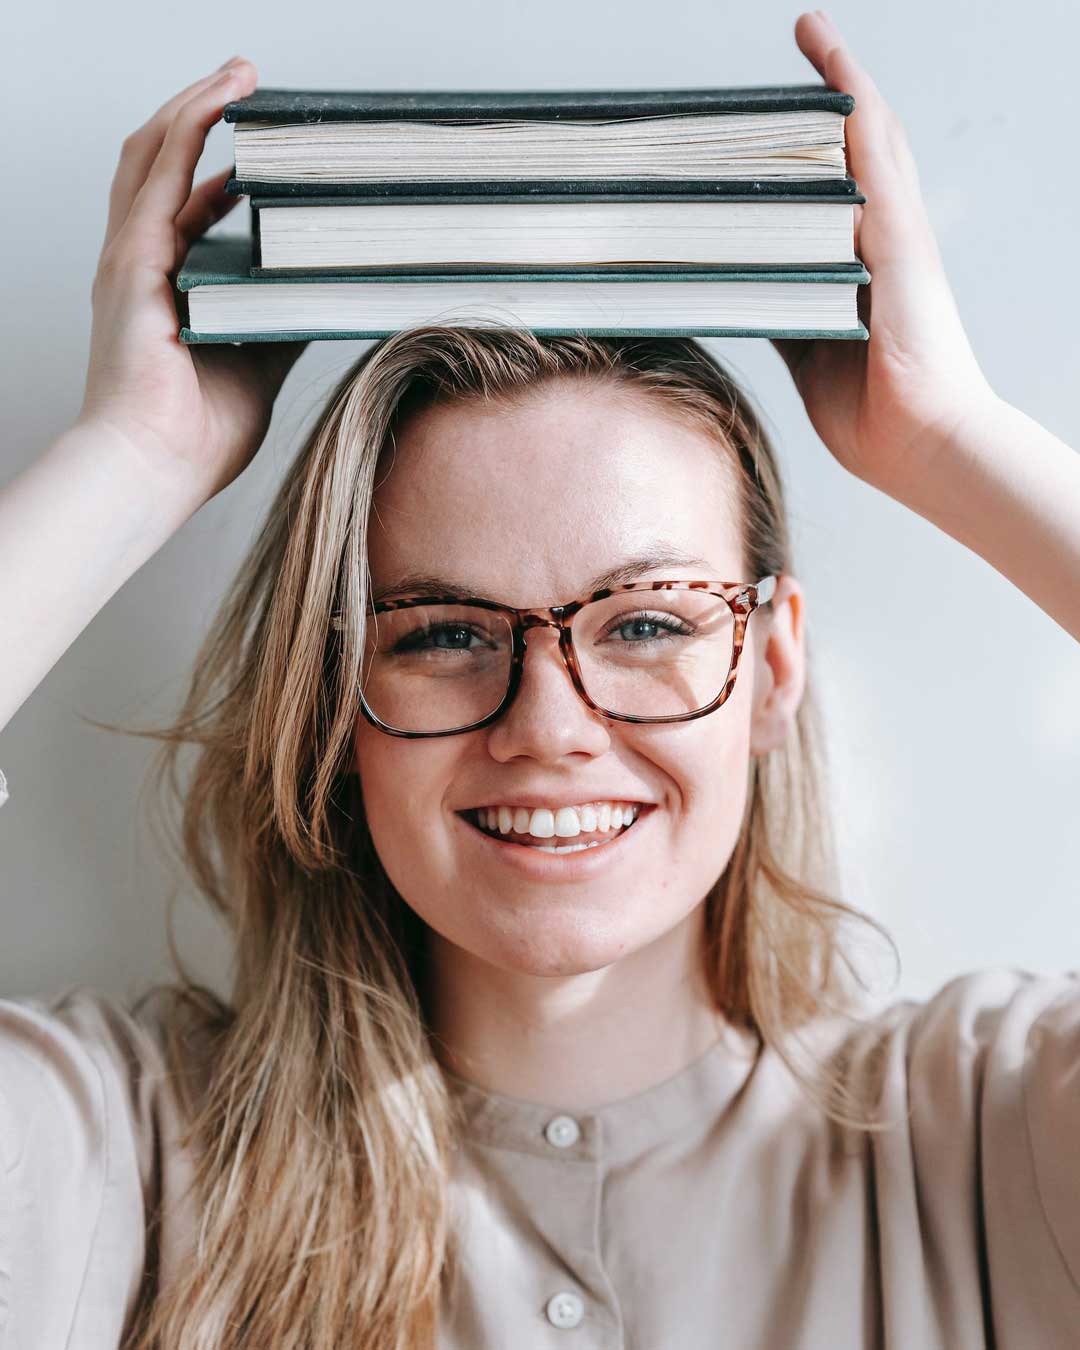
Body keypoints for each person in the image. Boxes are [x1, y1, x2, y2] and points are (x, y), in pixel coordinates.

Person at [1, 11, 1078, 1349]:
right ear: (336, 701)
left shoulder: (988, 1137)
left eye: (645, 623)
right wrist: (134, 458)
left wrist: (952, 439)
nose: (551, 726)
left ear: (772, 665)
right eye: (445, 632)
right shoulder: (122, 1157)